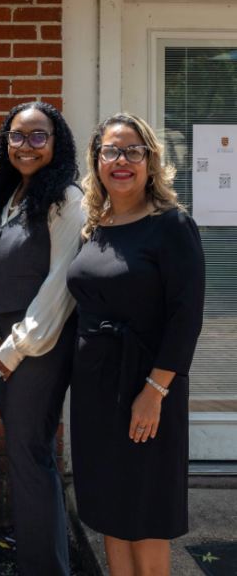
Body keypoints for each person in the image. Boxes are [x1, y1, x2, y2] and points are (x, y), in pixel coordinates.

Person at [66, 114, 205, 576]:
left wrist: (155, 391)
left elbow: (185, 317)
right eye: (110, 151)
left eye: (132, 151)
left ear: (150, 161)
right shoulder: (95, 224)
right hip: (95, 390)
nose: (120, 160)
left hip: (148, 385)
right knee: (110, 509)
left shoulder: (172, 226)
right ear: (96, 160)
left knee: (145, 516)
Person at [0, 102, 85, 576]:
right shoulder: (9, 196)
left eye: (39, 136)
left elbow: (62, 283)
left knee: (31, 456)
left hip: (38, 345)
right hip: (1, 346)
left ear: (57, 143)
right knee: (24, 456)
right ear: (5, 142)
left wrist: (15, 347)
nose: (27, 145)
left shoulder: (67, 199)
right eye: (18, 136)